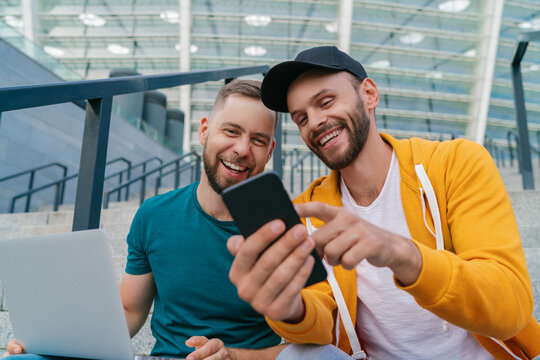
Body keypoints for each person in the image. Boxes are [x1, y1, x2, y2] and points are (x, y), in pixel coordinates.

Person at [227, 46, 540, 360]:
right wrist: (292, 309)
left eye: (326, 101)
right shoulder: (309, 209)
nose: (315, 122)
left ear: (369, 94)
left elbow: (509, 306)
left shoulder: (456, 163)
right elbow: (321, 326)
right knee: (298, 355)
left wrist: (401, 254)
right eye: (301, 118)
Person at [3, 79, 286, 360]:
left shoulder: (285, 230)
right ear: (204, 130)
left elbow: (314, 347)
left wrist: (234, 356)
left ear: (270, 151)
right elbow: (129, 311)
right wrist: (48, 340)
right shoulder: (154, 215)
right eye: (231, 131)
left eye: (258, 140)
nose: (241, 149)